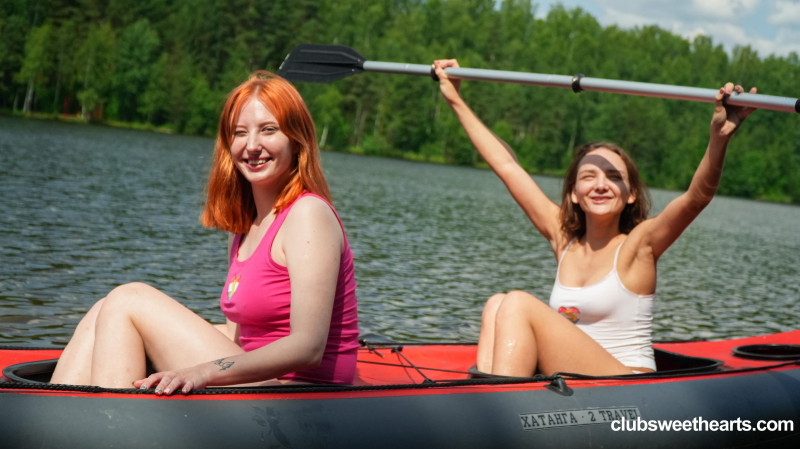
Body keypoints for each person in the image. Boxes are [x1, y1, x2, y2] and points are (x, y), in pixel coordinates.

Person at [433, 59, 756, 377]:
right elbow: (507, 166)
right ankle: (491, 404)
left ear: (631, 194)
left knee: (516, 302)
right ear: (574, 192)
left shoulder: (638, 246)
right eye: (589, 176)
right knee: (497, 303)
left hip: (628, 382)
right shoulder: (564, 239)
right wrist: (455, 99)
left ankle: (503, 408)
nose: (601, 184)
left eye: (614, 176)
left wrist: (719, 137)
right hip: (576, 378)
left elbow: (696, 198)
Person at [50, 71, 360, 393]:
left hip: (302, 398)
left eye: (268, 130)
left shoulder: (308, 214)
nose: (252, 146)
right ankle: (56, 418)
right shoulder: (244, 226)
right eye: (240, 133)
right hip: (258, 382)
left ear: (297, 140)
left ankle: (113, 423)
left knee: (129, 299)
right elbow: (237, 336)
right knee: (105, 309)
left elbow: (308, 347)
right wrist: (152, 336)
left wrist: (205, 371)